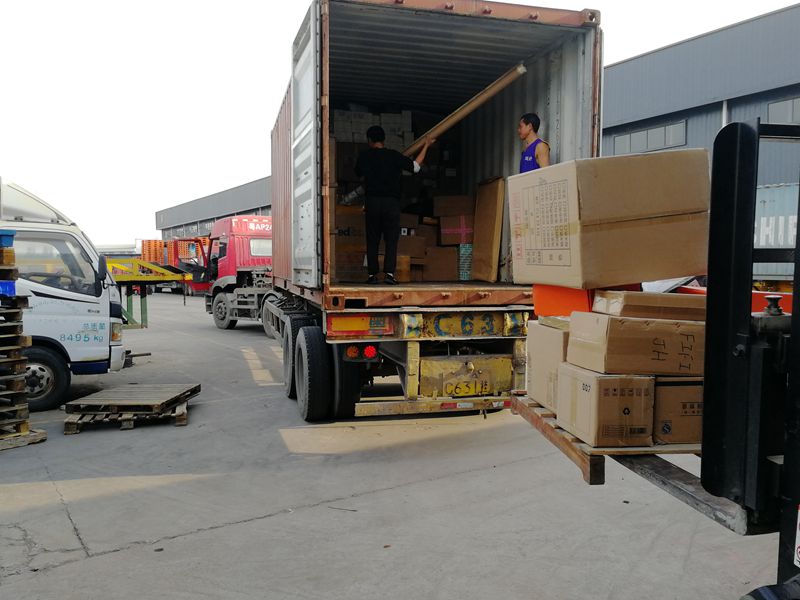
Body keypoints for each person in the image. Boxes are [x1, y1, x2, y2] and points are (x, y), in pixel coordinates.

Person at [354, 126, 434, 285]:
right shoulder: (394, 156)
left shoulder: (365, 156)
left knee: (372, 239)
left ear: (369, 140)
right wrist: (426, 145)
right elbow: (416, 167)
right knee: (391, 239)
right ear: (384, 140)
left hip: (372, 202)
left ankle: (372, 275)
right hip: (391, 203)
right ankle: (389, 274)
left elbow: (357, 174)